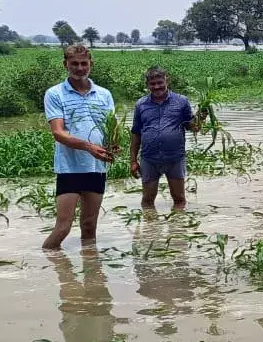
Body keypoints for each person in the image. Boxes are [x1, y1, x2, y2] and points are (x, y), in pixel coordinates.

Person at [42, 44, 115, 250]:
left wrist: (112, 145)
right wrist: (88, 147)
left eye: (84, 63)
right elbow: (58, 132)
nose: (80, 68)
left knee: (90, 226)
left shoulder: (104, 94)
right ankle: (45, 262)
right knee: (63, 228)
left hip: (96, 168)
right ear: (66, 65)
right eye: (74, 64)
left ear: (91, 64)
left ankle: (92, 272)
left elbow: (110, 127)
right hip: (70, 168)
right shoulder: (55, 94)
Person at [129, 66, 201, 210]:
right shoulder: (141, 104)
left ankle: (177, 231)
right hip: (149, 158)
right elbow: (136, 133)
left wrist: (201, 118)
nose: (157, 87)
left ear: (166, 80)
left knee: (179, 199)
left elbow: (192, 127)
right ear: (147, 84)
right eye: (152, 84)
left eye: (160, 82)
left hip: (175, 158)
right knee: (147, 200)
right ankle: (150, 231)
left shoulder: (182, 101)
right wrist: (133, 161)